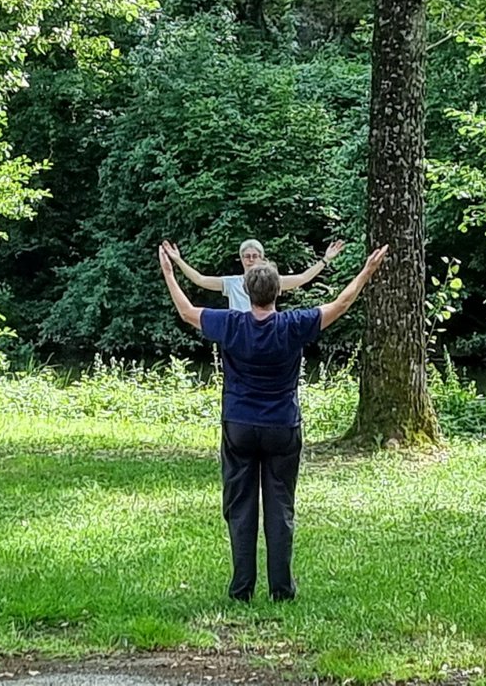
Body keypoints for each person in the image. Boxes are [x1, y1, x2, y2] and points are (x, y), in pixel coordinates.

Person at [160, 238, 387, 602]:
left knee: (241, 506)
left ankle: (241, 590)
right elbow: (341, 304)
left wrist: (169, 272)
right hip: (283, 426)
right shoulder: (294, 324)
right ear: (277, 292)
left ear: (247, 291)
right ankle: (281, 591)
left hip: (239, 426)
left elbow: (187, 311)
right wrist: (366, 271)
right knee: (280, 506)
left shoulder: (230, 324)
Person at [164, 237, 346, 312]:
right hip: (240, 331)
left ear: (262, 257)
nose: (250, 260)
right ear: (241, 259)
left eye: (254, 256)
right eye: (246, 256)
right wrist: (178, 261)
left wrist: (325, 260)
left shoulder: (271, 280)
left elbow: (303, 278)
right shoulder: (232, 282)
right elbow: (200, 279)